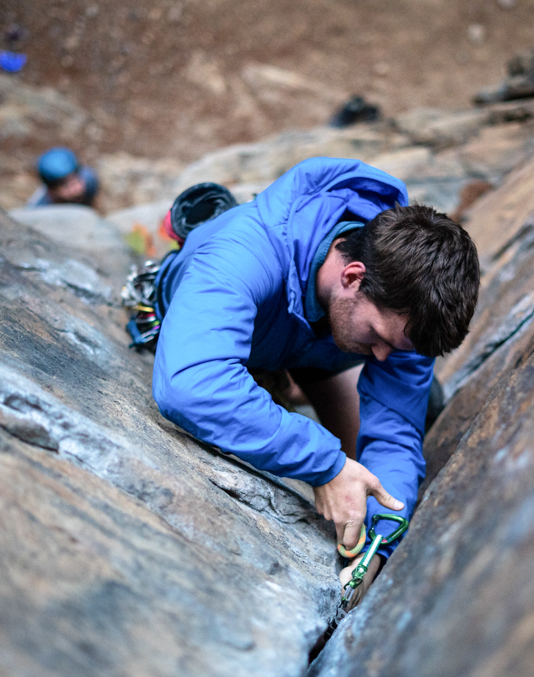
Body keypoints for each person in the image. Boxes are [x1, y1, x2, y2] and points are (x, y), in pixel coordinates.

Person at [148, 157, 480, 607]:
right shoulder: (246, 251)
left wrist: (380, 542)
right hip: (255, 322)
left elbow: (396, 436)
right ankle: (281, 380)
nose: (382, 358)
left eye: (395, 349)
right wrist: (325, 464)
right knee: (339, 461)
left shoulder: (399, 311)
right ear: (353, 276)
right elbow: (190, 382)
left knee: (405, 428)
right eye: (379, 338)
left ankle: (293, 381)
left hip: (314, 344)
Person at [27, 147, 99, 207]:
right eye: (66, 186)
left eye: (76, 181)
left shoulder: (90, 180)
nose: (76, 190)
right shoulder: (41, 208)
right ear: (51, 190)